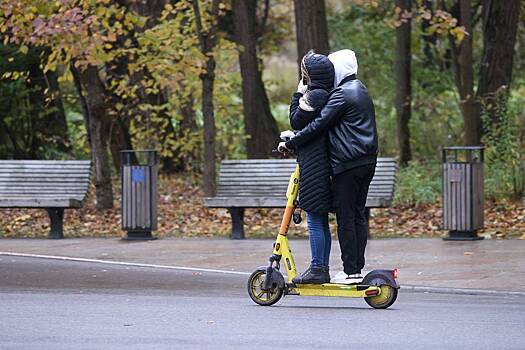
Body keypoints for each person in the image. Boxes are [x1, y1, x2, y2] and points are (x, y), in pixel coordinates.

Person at [281, 49, 378, 285]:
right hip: (367, 160)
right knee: (356, 216)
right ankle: (356, 268)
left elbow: (318, 125)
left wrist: (292, 141)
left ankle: (351, 272)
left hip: (348, 163)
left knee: (347, 217)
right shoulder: (360, 89)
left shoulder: (342, 94)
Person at [283, 51, 334, 284]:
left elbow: (296, 118)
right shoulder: (327, 94)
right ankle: (320, 267)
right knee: (319, 217)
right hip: (319, 160)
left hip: (315, 163)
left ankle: (318, 268)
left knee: (314, 217)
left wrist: (298, 91)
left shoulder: (315, 96)